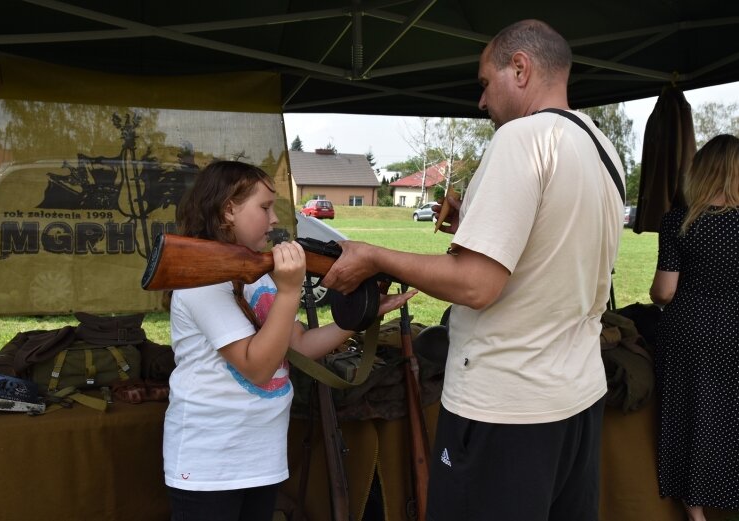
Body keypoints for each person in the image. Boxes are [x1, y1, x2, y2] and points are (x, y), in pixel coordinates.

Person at [322, 19, 625, 521]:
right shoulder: (602, 147)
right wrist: (475, 225)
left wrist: (374, 256)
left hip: (507, 408)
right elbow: (556, 245)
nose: (481, 102)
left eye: (485, 83)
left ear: (520, 68)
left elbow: (476, 284)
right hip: (576, 400)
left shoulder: (521, 138)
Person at [162, 160, 414, 521]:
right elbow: (258, 368)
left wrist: (362, 317)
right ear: (229, 209)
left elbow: (297, 347)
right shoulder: (202, 281)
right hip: (209, 464)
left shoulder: (259, 274)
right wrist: (290, 291)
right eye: (264, 207)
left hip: (260, 457)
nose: (275, 219)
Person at [649, 134, 739, 521]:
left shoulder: (679, 222)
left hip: (691, 333)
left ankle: (696, 515)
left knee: (689, 416)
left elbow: (665, 291)